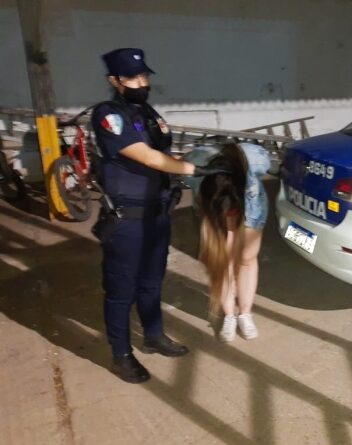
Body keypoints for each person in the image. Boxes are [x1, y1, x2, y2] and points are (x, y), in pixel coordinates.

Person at [91, 48, 225, 383]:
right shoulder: (108, 114)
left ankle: (153, 335)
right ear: (114, 80)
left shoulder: (147, 111)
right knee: (121, 291)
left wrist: (200, 158)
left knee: (152, 282)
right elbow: (148, 157)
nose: (141, 82)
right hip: (128, 220)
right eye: (132, 77)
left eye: (144, 76)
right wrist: (195, 170)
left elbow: (165, 152)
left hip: (158, 213)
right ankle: (121, 355)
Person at [184, 142, 271, 342]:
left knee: (247, 258)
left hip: (249, 205)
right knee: (223, 261)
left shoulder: (257, 160)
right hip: (213, 209)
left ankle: (245, 314)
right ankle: (229, 314)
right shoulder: (193, 170)